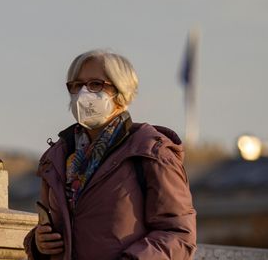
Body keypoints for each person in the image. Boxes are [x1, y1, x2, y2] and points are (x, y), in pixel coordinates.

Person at [24, 50, 197, 259]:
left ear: (121, 90)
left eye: (95, 84)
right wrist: (38, 243)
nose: (83, 93)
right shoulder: (57, 158)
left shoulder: (151, 153)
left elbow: (178, 234)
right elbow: (59, 228)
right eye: (76, 85)